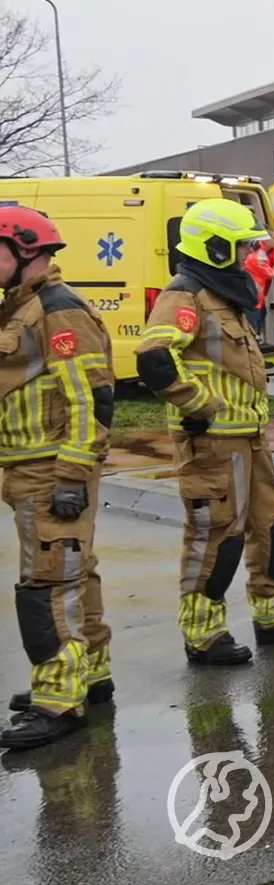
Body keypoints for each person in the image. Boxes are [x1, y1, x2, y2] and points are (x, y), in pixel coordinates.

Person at [137, 197, 274, 664]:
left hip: (249, 438)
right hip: (211, 443)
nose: (251, 258)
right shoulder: (184, 296)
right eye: (243, 248)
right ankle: (203, 633)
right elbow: (153, 357)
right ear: (216, 249)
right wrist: (198, 405)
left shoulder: (220, 297)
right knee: (216, 537)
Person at [0, 209, 114, 749]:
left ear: (26, 250)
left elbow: (90, 397)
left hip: (51, 469)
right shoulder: (21, 307)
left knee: (47, 585)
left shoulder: (55, 311)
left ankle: (56, 700)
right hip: (30, 466)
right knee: (74, 574)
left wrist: (71, 474)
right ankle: (88, 673)